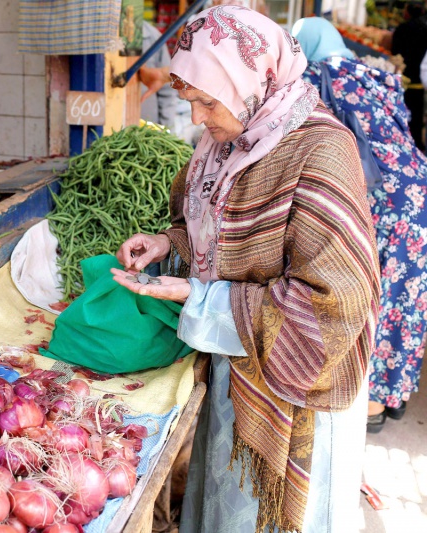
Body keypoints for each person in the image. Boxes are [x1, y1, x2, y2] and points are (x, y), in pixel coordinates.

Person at [111, 6, 379, 533]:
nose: (196, 118)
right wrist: (168, 241)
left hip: (299, 385)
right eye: (192, 101)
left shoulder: (322, 152)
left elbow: (336, 302)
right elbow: (221, 236)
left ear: (253, 83)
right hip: (238, 369)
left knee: (271, 516)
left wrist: (203, 298)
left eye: (208, 101)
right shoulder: (222, 146)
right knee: (226, 503)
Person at [293, 17, 427, 433]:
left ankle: (370, 403)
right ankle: (396, 395)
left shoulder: (321, 75)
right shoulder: (369, 73)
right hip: (416, 187)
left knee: (376, 291)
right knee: (409, 294)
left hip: (385, 199)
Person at [391, 2, 427, 151]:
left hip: (403, 79)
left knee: (400, 117)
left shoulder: (402, 28)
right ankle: (417, 149)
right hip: (419, 84)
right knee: (416, 120)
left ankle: (401, 146)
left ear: (408, 12)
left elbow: (394, 51)